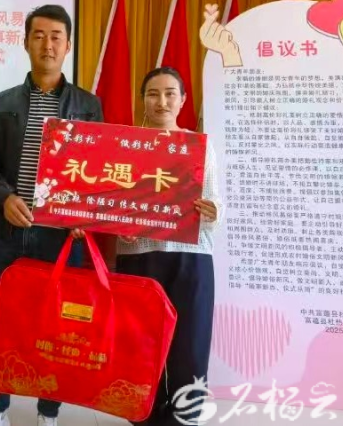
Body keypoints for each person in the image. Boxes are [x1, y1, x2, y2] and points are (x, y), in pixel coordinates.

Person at [0, 4, 103, 426]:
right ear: (26, 42)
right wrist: (5, 197)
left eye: (56, 37)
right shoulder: (3, 102)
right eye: (39, 35)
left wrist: (83, 213)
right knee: (1, 322)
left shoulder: (88, 105)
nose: (47, 44)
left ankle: (48, 410)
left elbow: (99, 169)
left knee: (57, 327)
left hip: (60, 239)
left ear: (68, 45)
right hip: (7, 234)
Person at [117, 67, 222, 426]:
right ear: (142, 100)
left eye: (169, 93)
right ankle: (143, 417)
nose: (161, 101)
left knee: (190, 345)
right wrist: (121, 228)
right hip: (138, 257)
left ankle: (184, 419)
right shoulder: (126, 146)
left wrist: (214, 212)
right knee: (139, 346)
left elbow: (216, 202)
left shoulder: (200, 146)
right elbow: (115, 202)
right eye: (152, 94)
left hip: (191, 258)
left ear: (182, 100)